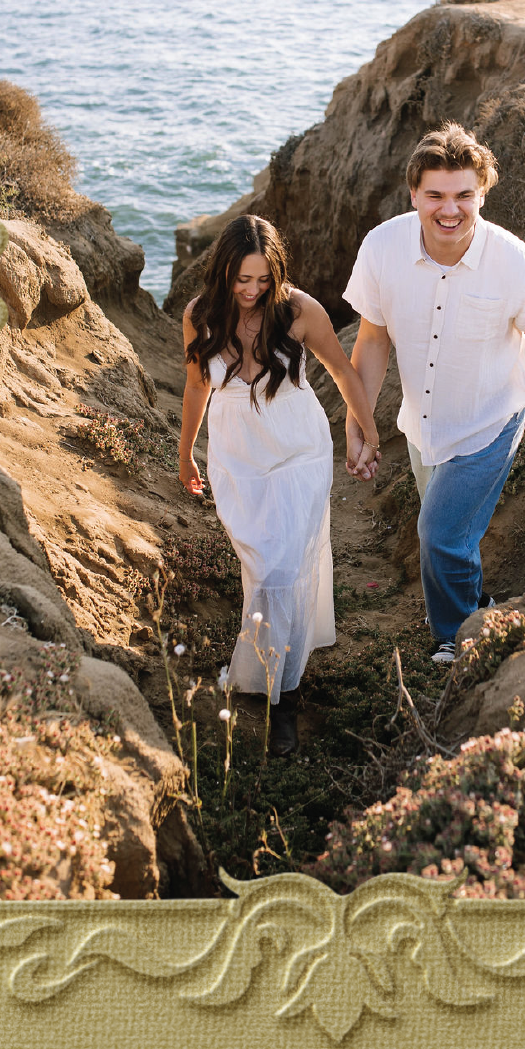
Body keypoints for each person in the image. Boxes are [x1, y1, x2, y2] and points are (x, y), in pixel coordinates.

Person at [343, 123, 525, 665]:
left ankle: (456, 637)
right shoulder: (381, 248)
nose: (450, 209)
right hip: (423, 424)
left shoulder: (517, 264)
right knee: (452, 534)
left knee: (439, 533)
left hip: (491, 420)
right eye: (436, 195)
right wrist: (360, 423)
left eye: (464, 194)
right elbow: (372, 340)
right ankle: (479, 606)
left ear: (482, 194)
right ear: (413, 194)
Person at [178, 214, 382, 756]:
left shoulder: (300, 310)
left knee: (281, 572)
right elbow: (197, 387)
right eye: (242, 279)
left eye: (263, 279)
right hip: (237, 458)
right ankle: (271, 664)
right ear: (223, 272)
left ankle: (283, 698)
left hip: (298, 451)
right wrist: (185, 453)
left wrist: (368, 430)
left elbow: (343, 372)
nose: (252, 290)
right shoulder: (199, 315)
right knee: (261, 567)